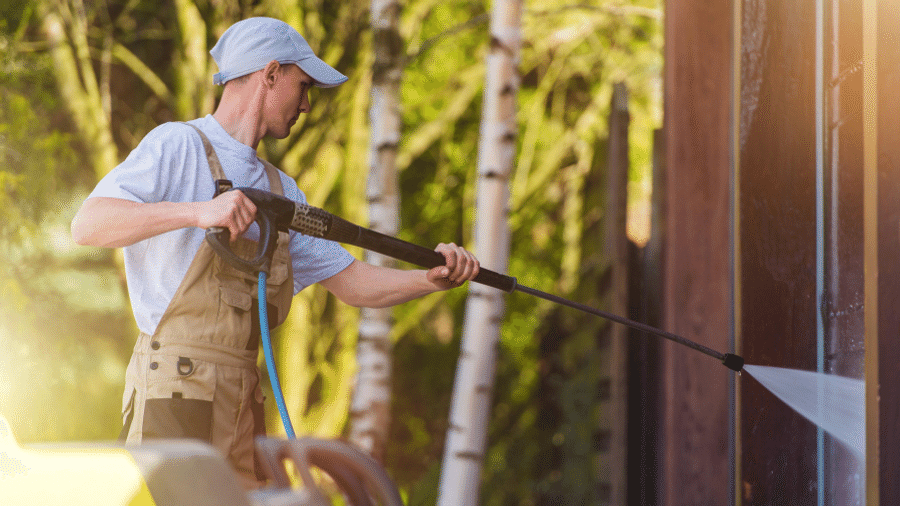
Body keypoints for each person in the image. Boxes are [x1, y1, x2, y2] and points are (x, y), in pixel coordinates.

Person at [70, 17, 479, 488]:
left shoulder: (282, 192)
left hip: (244, 400)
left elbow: (351, 281)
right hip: (175, 390)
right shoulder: (177, 144)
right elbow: (89, 224)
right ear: (269, 74)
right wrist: (199, 212)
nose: (307, 104)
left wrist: (429, 280)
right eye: (303, 86)